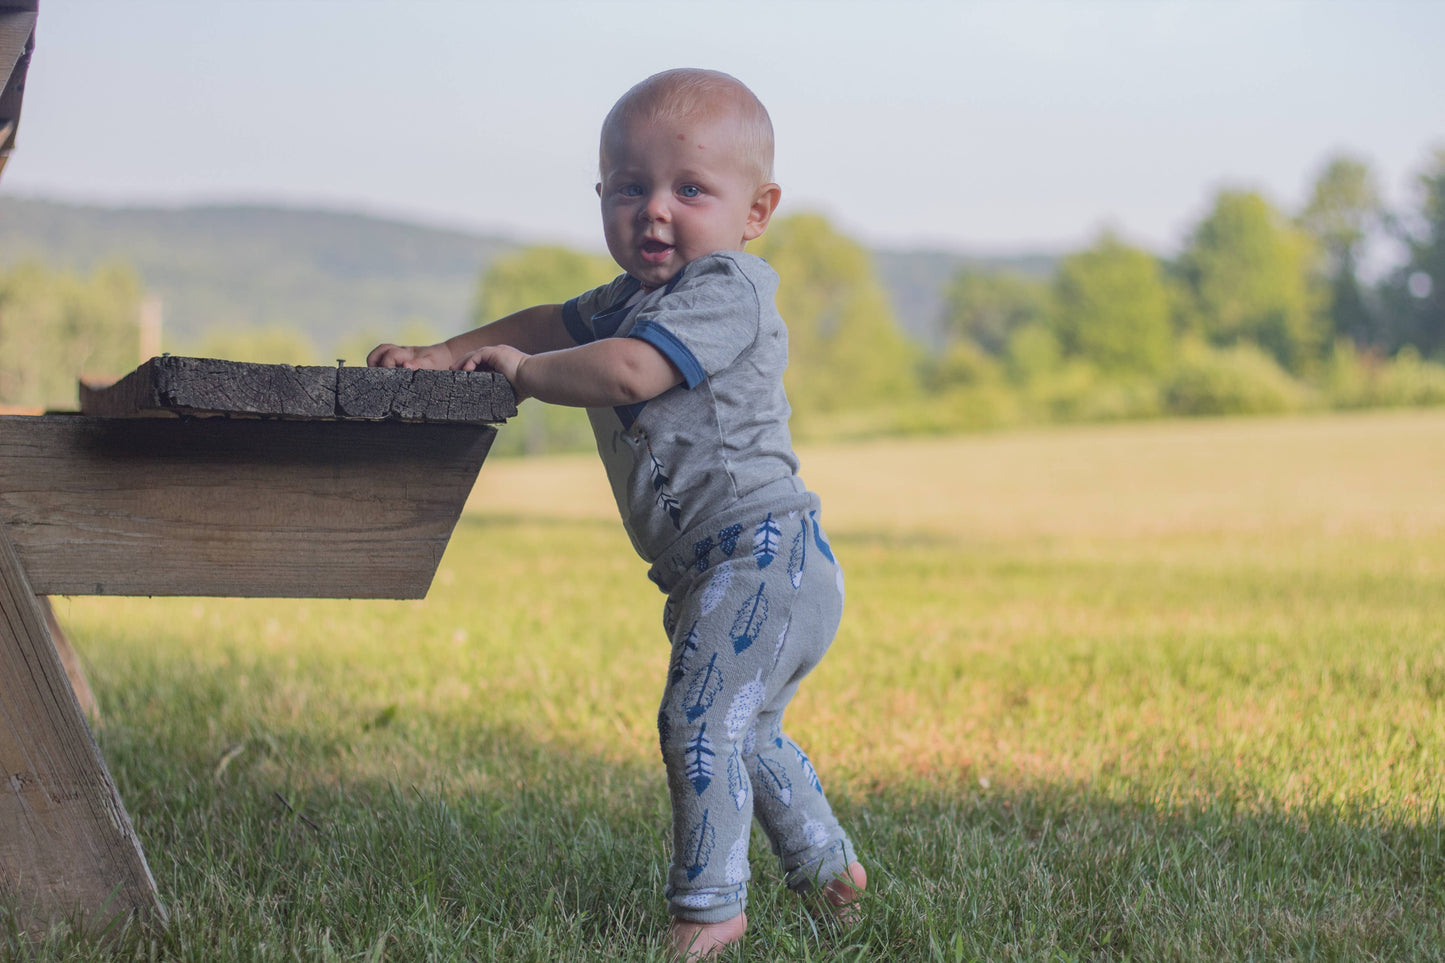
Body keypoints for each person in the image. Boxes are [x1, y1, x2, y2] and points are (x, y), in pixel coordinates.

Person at [368, 67, 866, 960]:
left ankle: (712, 907)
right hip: (721, 568)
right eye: (628, 188)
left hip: (762, 559)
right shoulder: (624, 301)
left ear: (755, 210)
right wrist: (450, 350)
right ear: (600, 194)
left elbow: (629, 371)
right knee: (745, 727)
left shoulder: (727, 288)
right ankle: (827, 866)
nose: (654, 212)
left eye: (689, 189)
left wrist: (521, 373)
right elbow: (556, 322)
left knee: (698, 720)